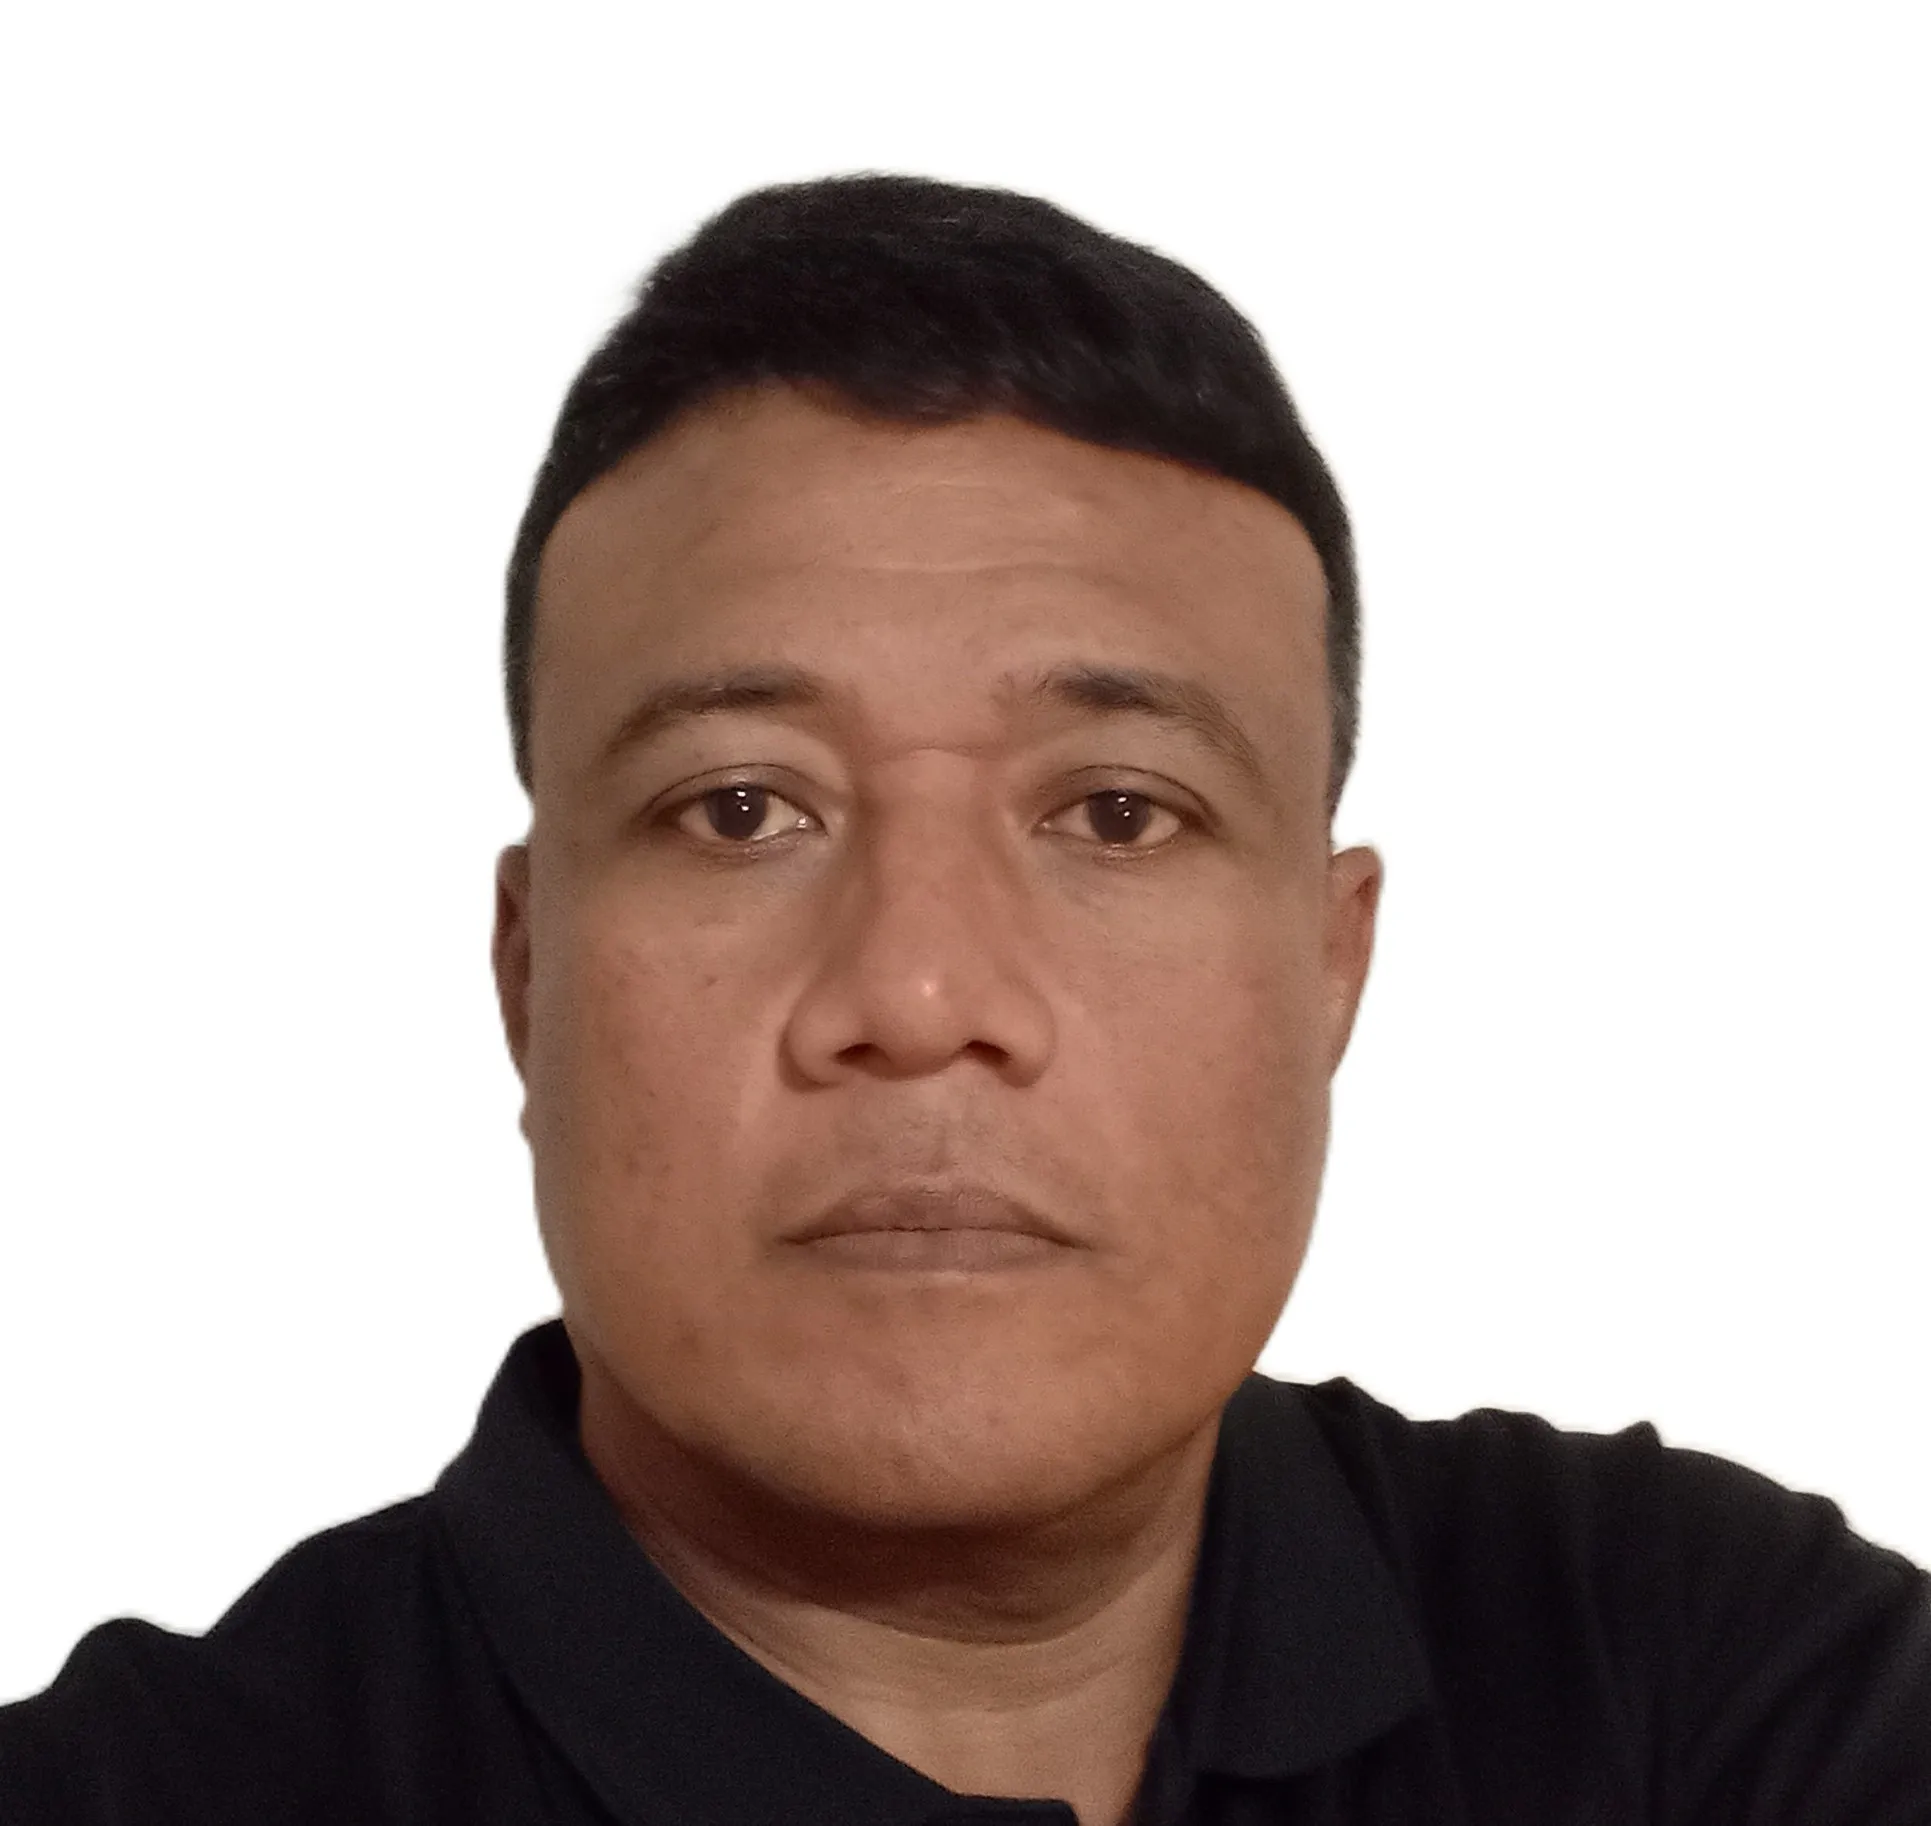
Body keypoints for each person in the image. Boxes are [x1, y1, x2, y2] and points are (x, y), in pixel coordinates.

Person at [2, 173, 1925, 1825]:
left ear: (1331, 965)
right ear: (527, 973)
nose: (917, 995)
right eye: (741, 806)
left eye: (1115, 810)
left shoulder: (1706, 1674)